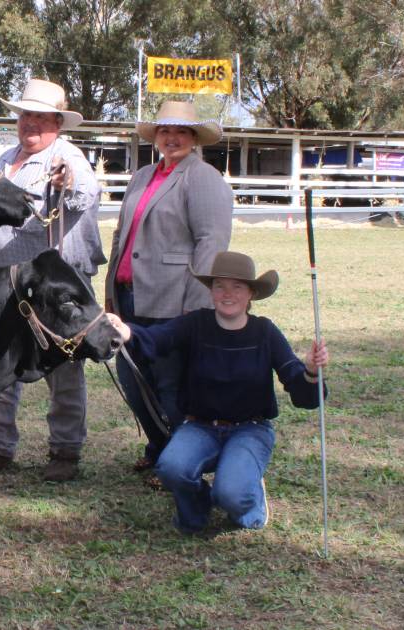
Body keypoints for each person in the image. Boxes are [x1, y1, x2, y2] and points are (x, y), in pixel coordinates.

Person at [106, 251, 329, 534]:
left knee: (232, 494)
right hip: (199, 427)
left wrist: (310, 372)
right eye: (220, 286)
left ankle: (250, 504)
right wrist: (125, 331)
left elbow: (299, 385)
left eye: (237, 287)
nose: (228, 294)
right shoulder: (196, 324)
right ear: (210, 291)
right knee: (171, 468)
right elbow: (158, 338)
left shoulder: (265, 331)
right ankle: (197, 511)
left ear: (251, 294)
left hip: (250, 429)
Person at [0, 78, 104, 482]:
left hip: (51, 291)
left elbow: (82, 193)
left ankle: (65, 451)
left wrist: (66, 182)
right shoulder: (4, 159)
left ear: (58, 122)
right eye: (26, 115)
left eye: (41, 117)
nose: (31, 124)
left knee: (63, 368)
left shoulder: (68, 156)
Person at [103, 100, 233, 486]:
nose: (171, 138)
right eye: (164, 131)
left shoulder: (202, 176)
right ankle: (160, 447)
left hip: (175, 297)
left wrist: (198, 299)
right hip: (130, 296)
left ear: (193, 139)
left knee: (170, 383)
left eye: (181, 132)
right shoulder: (143, 175)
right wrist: (111, 286)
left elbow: (212, 240)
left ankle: (180, 458)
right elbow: (121, 234)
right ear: (156, 136)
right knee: (132, 378)